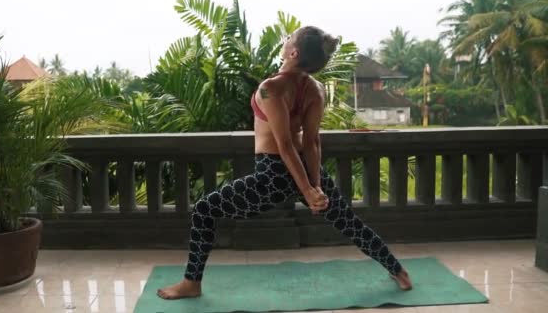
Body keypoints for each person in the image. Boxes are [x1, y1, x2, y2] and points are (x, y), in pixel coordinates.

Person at [157, 26, 413, 300]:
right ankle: (399, 271)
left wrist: (308, 190)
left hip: (272, 174)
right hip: (304, 166)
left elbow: (284, 145)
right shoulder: (315, 89)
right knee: (348, 222)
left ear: (293, 52)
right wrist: (315, 187)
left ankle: (191, 283)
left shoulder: (271, 89)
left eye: (290, 38)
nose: (286, 39)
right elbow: (312, 142)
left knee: (204, 210)